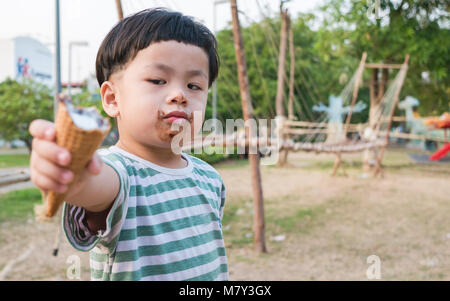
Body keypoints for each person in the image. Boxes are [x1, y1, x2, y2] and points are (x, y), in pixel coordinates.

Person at [28, 8, 228, 281]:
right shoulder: (119, 174)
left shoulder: (210, 178)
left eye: (194, 86)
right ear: (112, 99)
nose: (180, 95)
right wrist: (71, 173)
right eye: (158, 80)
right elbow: (91, 185)